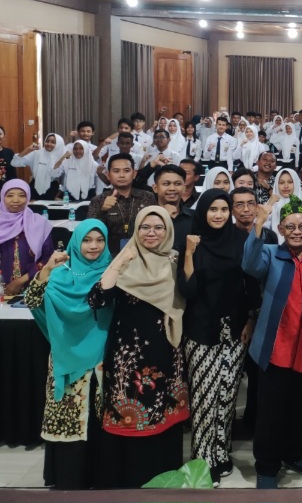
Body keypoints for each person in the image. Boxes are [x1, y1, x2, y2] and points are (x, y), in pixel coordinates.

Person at [88, 206, 188, 488]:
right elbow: (97, 299)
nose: (151, 233)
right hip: (128, 356)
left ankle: (161, 478)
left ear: (168, 230)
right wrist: (121, 260)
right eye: (145, 227)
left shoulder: (176, 260)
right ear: (136, 230)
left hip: (167, 351)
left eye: (158, 227)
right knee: (128, 415)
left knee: (162, 414)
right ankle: (127, 479)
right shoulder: (125, 260)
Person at [178, 190, 259, 486]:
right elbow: (187, 290)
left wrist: (250, 318)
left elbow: (250, 284)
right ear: (203, 212)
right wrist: (189, 253)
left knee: (226, 395)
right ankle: (202, 461)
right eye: (213, 209)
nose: (219, 215)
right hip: (201, 329)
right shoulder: (192, 241)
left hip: (235, 329)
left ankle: (221, 453)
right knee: (204, 398)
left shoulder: (240, 240)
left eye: (224, 209)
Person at [25, 220, 112, 489]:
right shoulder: (60, 274)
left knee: (99, 422)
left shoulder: (112, 273)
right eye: (87, 240)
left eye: (99, 240)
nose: (94, 246)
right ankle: (69, 480)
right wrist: (46, 269)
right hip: (66, 359)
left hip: (102, 360)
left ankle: (100, 478)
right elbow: (32, 300)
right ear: (76, 243)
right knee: (69, 423)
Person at [243, 195, 302, 488]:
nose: (297, 231)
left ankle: (293, 454)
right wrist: (259, 223)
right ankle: (267, 465)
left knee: (300, 407)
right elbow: (250, 265)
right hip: (275, 346)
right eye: (290, 226)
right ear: (281, 229)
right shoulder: (270, 253)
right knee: (271, 411)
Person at [87, 153, 157, 256]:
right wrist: (103, 210)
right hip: (108, 256)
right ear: (108, 175)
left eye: (126, 170)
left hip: (143, 254)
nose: (121, 175)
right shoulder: (98, 200)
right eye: (116, 171)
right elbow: (90, 231)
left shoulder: (147, 197)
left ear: (134, 174)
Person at [0, 179, 54, 295]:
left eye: (22, 195)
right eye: (9, 195)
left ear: (28, 197)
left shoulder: (39, 224)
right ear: (2, 197)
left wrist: (20, 281)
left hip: (35, 287)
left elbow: (48, 258)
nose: (16, 200)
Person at [12, 133, 65, 200]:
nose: (49, 144)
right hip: (34, 186)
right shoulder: (36, 154)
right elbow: (15, 163)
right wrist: (28, 149)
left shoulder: (62, 157)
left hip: (52, 188)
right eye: (47, 141)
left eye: (53, 142)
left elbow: (55, 175)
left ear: (58, 144)